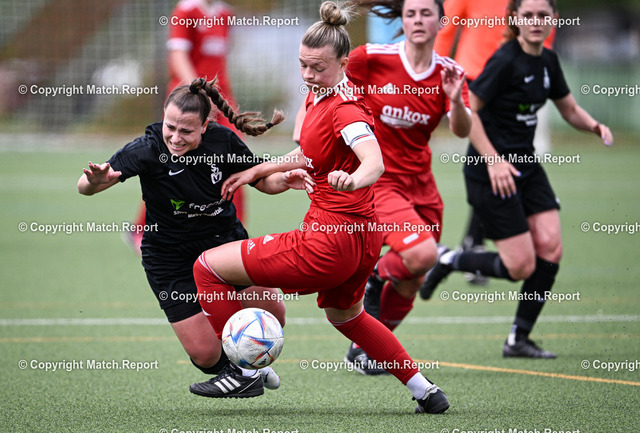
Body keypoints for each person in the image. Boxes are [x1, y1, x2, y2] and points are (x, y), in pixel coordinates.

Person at [189, 1, 450, 414]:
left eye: (318, 67)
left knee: (207, 267)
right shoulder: (320, 97)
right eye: (303, 65)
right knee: (347, 318)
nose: (308, 74)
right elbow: (308, 153)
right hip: (363, 239)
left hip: (327, 243)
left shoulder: (344, 108)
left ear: (344, 64)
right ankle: (426, 391)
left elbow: (374, 160)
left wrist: (354, 178)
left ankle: (243, 373)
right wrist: (259, 169)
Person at [77, 77, 299, 395]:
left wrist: (285, 180)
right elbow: (84, 188)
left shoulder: (223, 142)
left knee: (274, 312)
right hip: (169, 256)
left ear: (205, 127)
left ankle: (246, 368)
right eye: (170, 127)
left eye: (186, 131)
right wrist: (95, 181)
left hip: (222, 240)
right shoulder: (147, 148)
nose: (175, 137)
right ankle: (245, 371)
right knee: (205, 354)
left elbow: (262, 181)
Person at [420, 0, 613, 358]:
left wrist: (594, 126)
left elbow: (568, 108)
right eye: (528, 15)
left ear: (554, 19)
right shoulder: (504, 60)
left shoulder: (548, 60)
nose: (536, 21)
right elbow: (470, 111)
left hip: (527, 168)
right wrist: (493, 161)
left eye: (543, 15)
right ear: (514, 19)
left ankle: (518, 339)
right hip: (490, 172)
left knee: (551, 248)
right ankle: (448, 259)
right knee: (520, 266)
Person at [292, 0, 471, 374]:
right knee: (423, 255)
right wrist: (303, 130)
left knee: (413, 276)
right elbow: (321, 85)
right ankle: (373, 274)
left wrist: (455, 101)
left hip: (422, 184)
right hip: (378, 180)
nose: (418, 20)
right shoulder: (371, 58)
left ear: (441, 21)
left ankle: (368, 350)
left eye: (426, 13)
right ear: (402, 19)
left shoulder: (449, 72)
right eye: (411, 13)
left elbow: (461, 130)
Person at [433, 0, 556, 286]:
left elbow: (545, 28)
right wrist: (433, 71)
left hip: (516, 79)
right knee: (492, 162)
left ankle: (470, 246)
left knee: (498, 163)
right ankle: (470, 247)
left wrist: (540, 65)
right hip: (475, 76)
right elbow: (446, 27)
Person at [127, 0, 246, 255]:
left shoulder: (225, 14)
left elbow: (220, 63)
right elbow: (177, 55)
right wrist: (198, 91)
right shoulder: (186, 11)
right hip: (190, 102)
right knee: (172, 167)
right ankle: (143, 228)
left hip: (220, 102)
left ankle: (233, 235)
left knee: (236, 162)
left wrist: (225, 103)